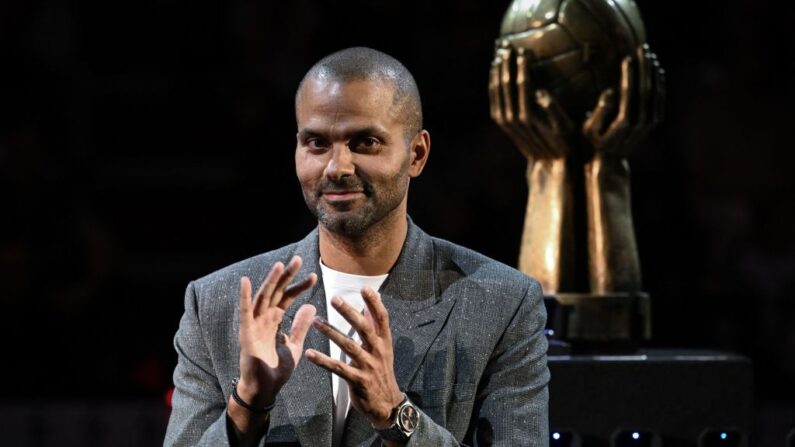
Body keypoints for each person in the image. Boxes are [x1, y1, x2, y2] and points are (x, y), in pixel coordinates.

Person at [164, 47, 550, 447]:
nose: (337, 167)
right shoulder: (216, 303)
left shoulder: (502, 303)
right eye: (316, 143)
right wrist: (246, 406)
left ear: (416, 154)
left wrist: (396, 416)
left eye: (365, 142)